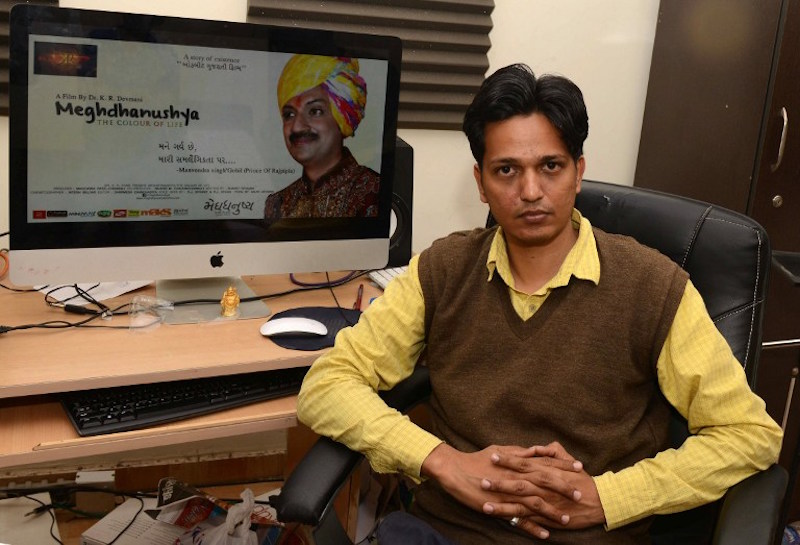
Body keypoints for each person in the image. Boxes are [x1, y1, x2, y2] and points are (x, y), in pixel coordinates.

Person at [296, 64, 783, 544]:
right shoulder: (442, 271)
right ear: (481, 183)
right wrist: (441, 461)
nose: (530, 192)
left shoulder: (653, 286)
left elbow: (748, 435)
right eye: (506, 170)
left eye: (550, 166)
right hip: (445, 532)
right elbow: (328, 384)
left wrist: (608, 497)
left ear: (578, 172)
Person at [264, 54, 380, 220]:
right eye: (289, 114)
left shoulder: (373, 193)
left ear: (342, 117)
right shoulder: (277, 203)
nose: (297, 127)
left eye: (315, 111)